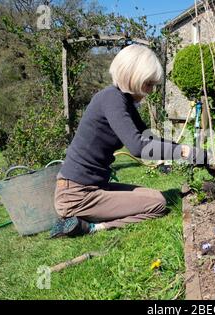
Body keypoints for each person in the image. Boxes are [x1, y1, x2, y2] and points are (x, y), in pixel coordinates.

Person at [50, 44, 205, 238]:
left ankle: (90, 219)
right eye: (148, 83)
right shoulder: (111, 98)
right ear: (133, 76)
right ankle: (89, 227)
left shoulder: (123, 102)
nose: (150, 90)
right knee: (158, 204)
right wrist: (183, 152)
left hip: (95, 187)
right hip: (77, 195)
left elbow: (149, 138)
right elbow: (138, 146)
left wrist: (188, 150)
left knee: (154, 196)